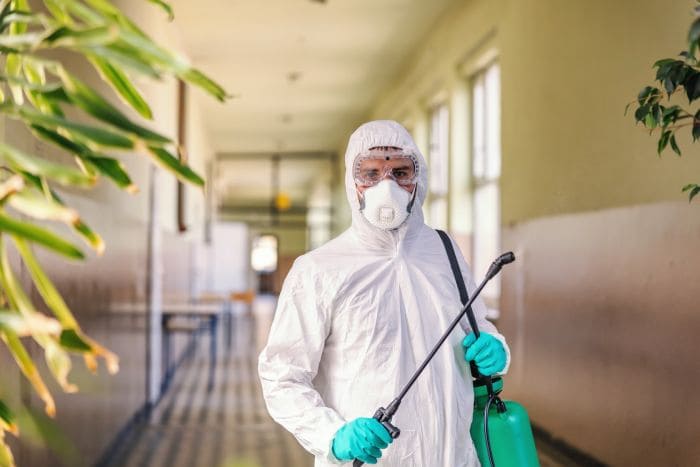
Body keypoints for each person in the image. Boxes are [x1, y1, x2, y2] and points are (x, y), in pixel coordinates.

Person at [258, 120, 510, 466]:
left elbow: (477, 327)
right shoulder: (318, 269)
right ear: (353, 182)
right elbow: (281, 375)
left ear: (416, 180)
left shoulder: (445, 251)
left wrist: (496, 348)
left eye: (400, 172)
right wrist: (331, 434)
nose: (386, 185)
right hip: (372, 460)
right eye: (371, 173)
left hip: (453, 456)